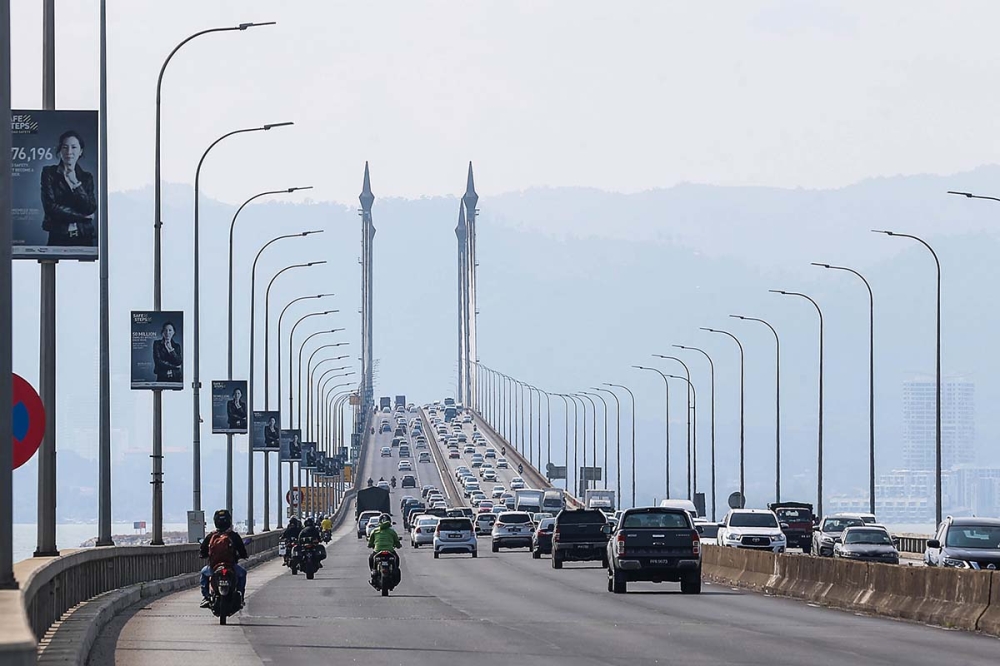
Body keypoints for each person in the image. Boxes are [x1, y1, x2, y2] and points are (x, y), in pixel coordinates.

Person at [40, 129, 97, 247]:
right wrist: (82, 216)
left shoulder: (86, 178)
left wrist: (76, 183)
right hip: (58, 237)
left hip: (84, 237)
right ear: (60, 150)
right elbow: (51, 207)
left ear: (80, 151)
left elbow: (90, 208)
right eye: (65, 147)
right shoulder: (49, 173)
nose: (69, 151)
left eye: (74, 147)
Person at [199, 509, 248, 608]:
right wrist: (243, 555)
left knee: (204, 573)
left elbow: (203, 551)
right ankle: (240, 596)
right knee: (242, 574)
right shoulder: (233, 536)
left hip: (214, 567)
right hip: (231, 566)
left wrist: (203, 555)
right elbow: (242, 551)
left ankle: (206, 597)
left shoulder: (211, 536)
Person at [367, 513, 401, 585]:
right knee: (396, 559)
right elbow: (397, 542)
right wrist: (398, 545)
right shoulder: (392, 532)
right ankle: (394, 572)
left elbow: (370, 543)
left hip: (377, 551)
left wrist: (370, 545)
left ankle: (373, 572)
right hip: (390, 551)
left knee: (371, 558)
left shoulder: (374, 531)